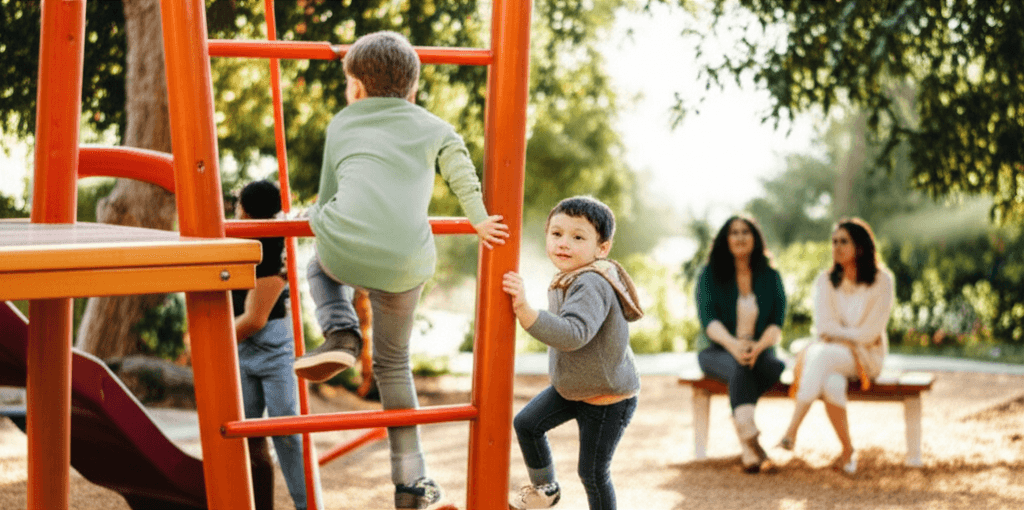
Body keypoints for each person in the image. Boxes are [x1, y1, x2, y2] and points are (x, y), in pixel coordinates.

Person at [292, 31, 509, 509]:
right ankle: (411, 481)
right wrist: (478, 220)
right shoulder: (435, 126)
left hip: (343, 254)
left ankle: (341, 332)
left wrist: (312, 217)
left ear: (355, 87)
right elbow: (460, 170)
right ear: (412, 89)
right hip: (406, 265)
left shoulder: (342, 123)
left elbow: (327, 196)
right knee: (394, 366)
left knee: (318, 268)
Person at [502, 196, 643, 510]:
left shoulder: (591, 282)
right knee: (527, 424)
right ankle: (546, 490)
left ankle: (549, 491)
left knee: (592, 472)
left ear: (601, 248)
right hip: (573, 388)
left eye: (578, 237)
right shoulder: (570, 277)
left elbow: (573, 334)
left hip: (607, 398)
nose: (564, 243)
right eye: (556, 233)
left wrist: (526, 311)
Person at [777, 218, 894, 475]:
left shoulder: (882, 281)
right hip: (832, 356)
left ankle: (791, 430)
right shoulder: (826, 280)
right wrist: (849, 336)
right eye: (834, 242)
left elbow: (870, 333)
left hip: (867, 357)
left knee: (820, 354)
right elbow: (823, 327)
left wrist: (840, 335)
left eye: (844, 242)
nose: (837, 247)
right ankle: (848, 451)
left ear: (860, 246)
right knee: (831, 383)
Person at [233, 180, 322, 510]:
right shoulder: (234, 237)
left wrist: (205, 341)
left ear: (244, 211)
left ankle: (307, 505)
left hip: (269, 344)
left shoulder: (272, 245)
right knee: (247, 436)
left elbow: (255, 319)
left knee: (286, 431)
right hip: (241, 346)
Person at [694, 215, 786, 473]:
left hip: (759, 349)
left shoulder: (771, 276)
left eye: (746, 232)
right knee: (740, 368)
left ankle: (748, 440)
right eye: (734, 232)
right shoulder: (709, 274)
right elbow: (708, 320)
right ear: (726, 239)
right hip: (717, 349)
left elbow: (776, 322)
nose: (740, 237)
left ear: (755, 238)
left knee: (773, 366)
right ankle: (749, 442)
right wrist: (734, 346)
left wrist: (758, 347)